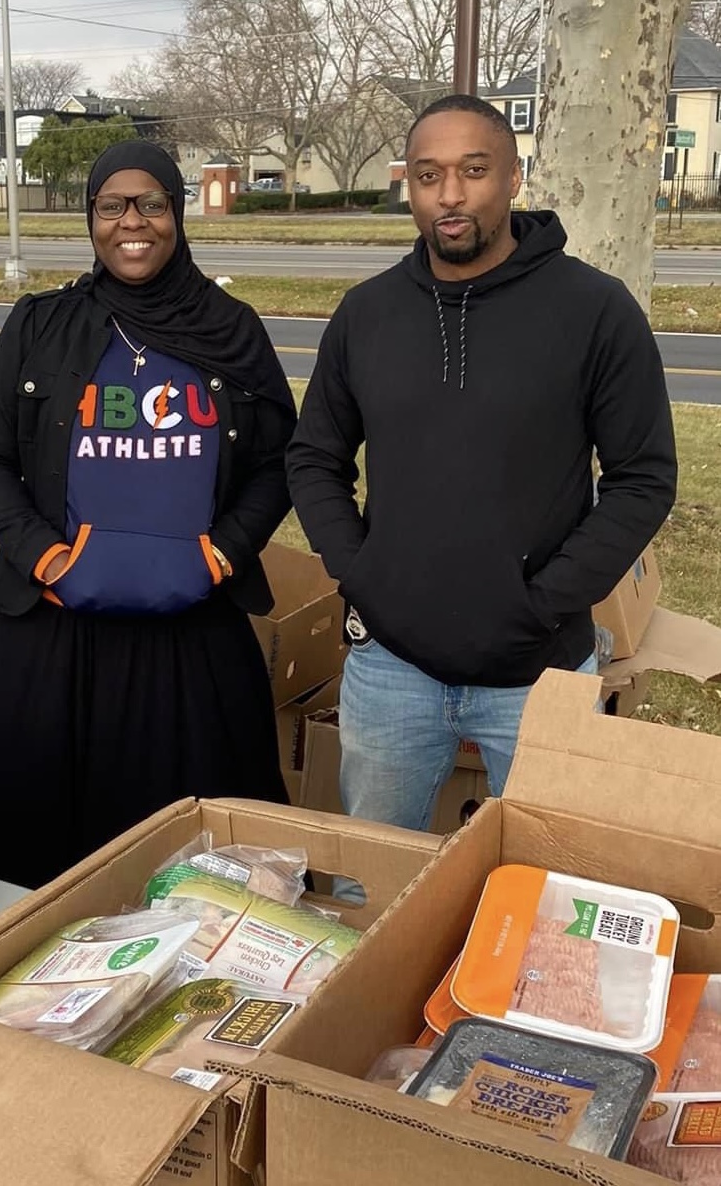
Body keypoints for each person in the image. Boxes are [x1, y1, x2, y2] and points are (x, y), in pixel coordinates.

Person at [287, 93, 677, 833]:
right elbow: (314, 457)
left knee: (543, 875)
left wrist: (545, 600)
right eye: (428, 175)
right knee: (373, 875)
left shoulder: (595, 310)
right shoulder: (367, 314)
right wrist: (361, 572)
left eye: (474, 170)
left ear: (514, 177)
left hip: (539, 669)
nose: (450, 195)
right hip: (390, 670)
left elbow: (643, 478)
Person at [0, 140, 297, 889]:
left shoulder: (231, 328)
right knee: (43, 867)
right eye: (111, 206)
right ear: (90, 218)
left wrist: (222, 553)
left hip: (192, 641)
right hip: (57, 636)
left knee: (201, 866)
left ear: (177, 213)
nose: (131, 222)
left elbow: (281, 461)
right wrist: (46, 557)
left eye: (151, 203)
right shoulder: (42, 325)